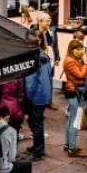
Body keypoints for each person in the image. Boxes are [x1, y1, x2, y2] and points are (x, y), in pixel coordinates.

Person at [24, 30, 52, 160]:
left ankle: (38, 150)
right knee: (37, 122)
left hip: (36, 97)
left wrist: (28, 99)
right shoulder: (44, 56)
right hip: (44, 94)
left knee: (36, 124)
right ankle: (37, 146)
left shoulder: (33, 60)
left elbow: (30, 84)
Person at [63, 39, 87, 157]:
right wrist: (85, 62)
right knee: (75, 121)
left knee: (71, 119)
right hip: (74, 92)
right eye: (78, 49)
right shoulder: (70, 61)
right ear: (72, 49)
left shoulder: (73, 60)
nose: (80, 51)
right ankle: (72, 148)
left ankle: (68, 144)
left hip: (74, 92)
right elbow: (80, 75)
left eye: (81, 48)